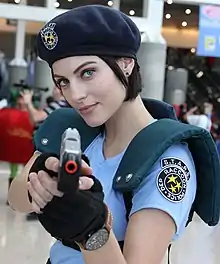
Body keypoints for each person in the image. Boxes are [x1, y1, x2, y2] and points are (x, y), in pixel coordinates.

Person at [7, 5, 220, 264]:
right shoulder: (77, 132)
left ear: (126, 63)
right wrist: (41, 181)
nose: (75, 95)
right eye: (63, 81)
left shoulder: (168, 159)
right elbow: (16, 200)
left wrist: (91, 229)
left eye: (87, 72)